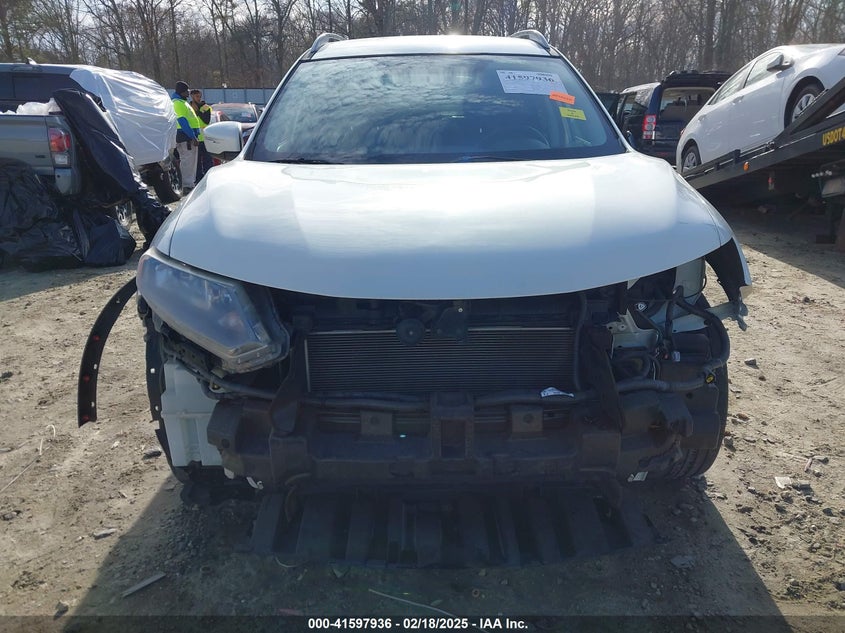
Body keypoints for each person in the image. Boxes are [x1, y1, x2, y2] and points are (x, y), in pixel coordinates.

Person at [171, 81, 201, 192]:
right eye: (187, 91)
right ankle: (187, 185)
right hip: (185, 137)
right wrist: (192, 136)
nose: (188, 93)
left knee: (189, 160)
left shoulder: (181, 102)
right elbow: (183, 121)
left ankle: (188, 183)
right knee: (187, 161)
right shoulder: (178, 103)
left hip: (186, 136)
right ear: (182, 91)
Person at [189, 89, 214, 182]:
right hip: (195, 138)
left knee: (208, 159)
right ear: (192, 96)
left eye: (199, 96)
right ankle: (198, 178)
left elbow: (206, 120)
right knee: (197, 161)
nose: (198, 98)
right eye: (196, 96)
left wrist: (198, 111)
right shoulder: (189, 107)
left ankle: (209, 176)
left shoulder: (206, 107)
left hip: (205, 137)